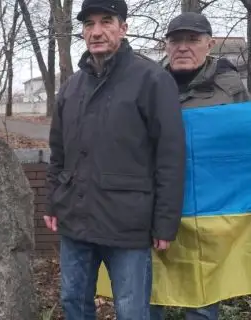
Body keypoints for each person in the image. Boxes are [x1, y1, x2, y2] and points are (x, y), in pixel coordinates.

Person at [44, 0, 187, 319]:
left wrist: (165, 222)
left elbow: (170, 156)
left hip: (127, 223)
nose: (96, 31)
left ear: (123, 28)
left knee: (132, 308)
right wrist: (53, 202)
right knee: (73, 301)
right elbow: (58, 153)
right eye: (88, 24)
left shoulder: (151, 80)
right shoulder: (70, 88)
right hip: (75, 218)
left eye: (106, 22)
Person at [149, 12, 250, 320]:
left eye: (192, 40)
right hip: (155, 207)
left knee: (203, 299)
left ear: (210, 44)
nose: (183, 47)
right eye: (175, 40)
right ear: (166, 46)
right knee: (147, 293)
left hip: (212, 213)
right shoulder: (148, 86)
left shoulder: (233, 90)